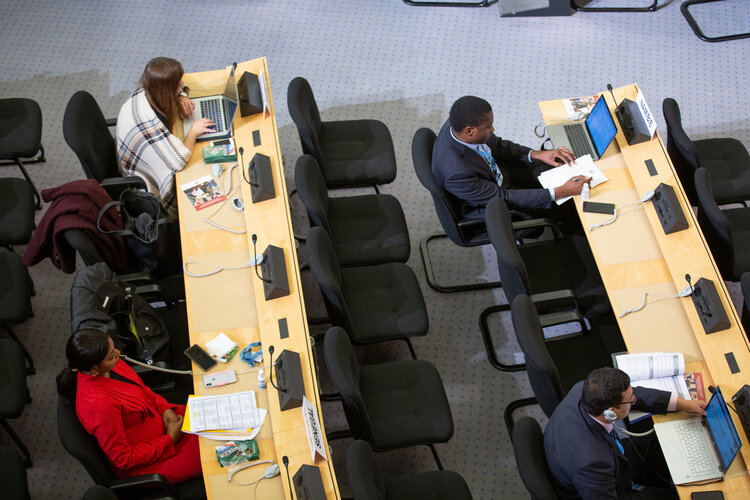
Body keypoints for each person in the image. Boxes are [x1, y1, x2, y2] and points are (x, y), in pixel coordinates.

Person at [56, 329, 202, 485]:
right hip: (151, 459)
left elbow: (143, 390)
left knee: (222, 421)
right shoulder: (99, 406)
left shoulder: (111, 364)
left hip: (163, 421)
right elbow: (123, 459)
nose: (118, 354)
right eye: (111, 355)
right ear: (94, 369)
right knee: (220, 450)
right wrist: (169, 440)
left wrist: (165, 409)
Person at [544, 367, 707, 500]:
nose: (634, 399)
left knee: (658, 441)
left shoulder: (585, 390)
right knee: (674, 496)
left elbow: (634, 395)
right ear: (611, 412)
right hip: (602, 489)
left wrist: (683, 404)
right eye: (630, 401)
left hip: (609, 454)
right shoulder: (592, 463)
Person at [432, 95, 590, 220]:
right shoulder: (457, 174)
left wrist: (536, 153)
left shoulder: (459, 123)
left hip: (499, 172)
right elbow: (502, 198)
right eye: (488, 127)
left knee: (553, 169)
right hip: (499, 198)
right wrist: (559, 192)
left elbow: (499, 145)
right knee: (571, 206)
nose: (493, 129)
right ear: (470, 131)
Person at [116, 57, 215, 216]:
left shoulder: (147, 89)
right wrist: (192, 133)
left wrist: (181, 97)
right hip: (142, 184)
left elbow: (181, 86)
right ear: (165, 91)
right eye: (178, 84)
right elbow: (178, 161)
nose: (183, 83)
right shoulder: (150, 125)